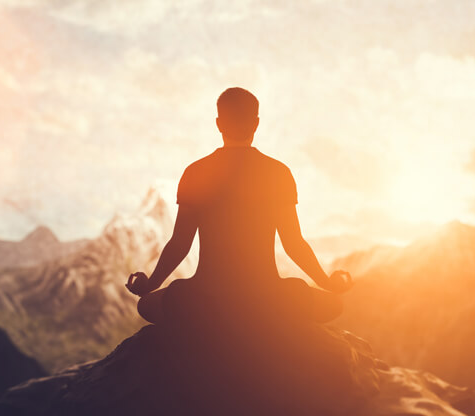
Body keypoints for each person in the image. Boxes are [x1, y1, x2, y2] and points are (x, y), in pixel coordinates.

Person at [125, 87, 352, 325]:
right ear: (255, 123)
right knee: (333, 305)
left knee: (147, 305)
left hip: (205, 297)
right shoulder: (277, 173)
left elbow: (180, 243)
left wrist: (150, 284)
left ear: (219, 123)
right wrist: (328, 283)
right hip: (267, 297)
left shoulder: (196, 172)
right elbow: (293, 243)